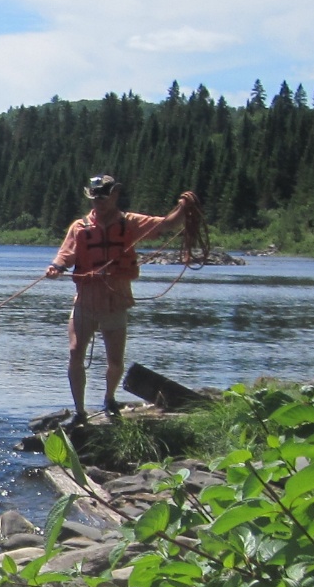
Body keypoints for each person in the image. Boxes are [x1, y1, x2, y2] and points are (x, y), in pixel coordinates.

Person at [46, 174, 199, 425]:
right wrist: (56, 267)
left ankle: (109, 399)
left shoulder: (130, 223)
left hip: (115, 303)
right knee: (75, 352)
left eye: (103, 198)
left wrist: (184, 207)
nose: (98, 203)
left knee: (115, 361)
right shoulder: (80, 227)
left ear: (115, 195)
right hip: (85, 301)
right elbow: (65, 255)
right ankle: (80, 412)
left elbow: (167, 225)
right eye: (94, 198)